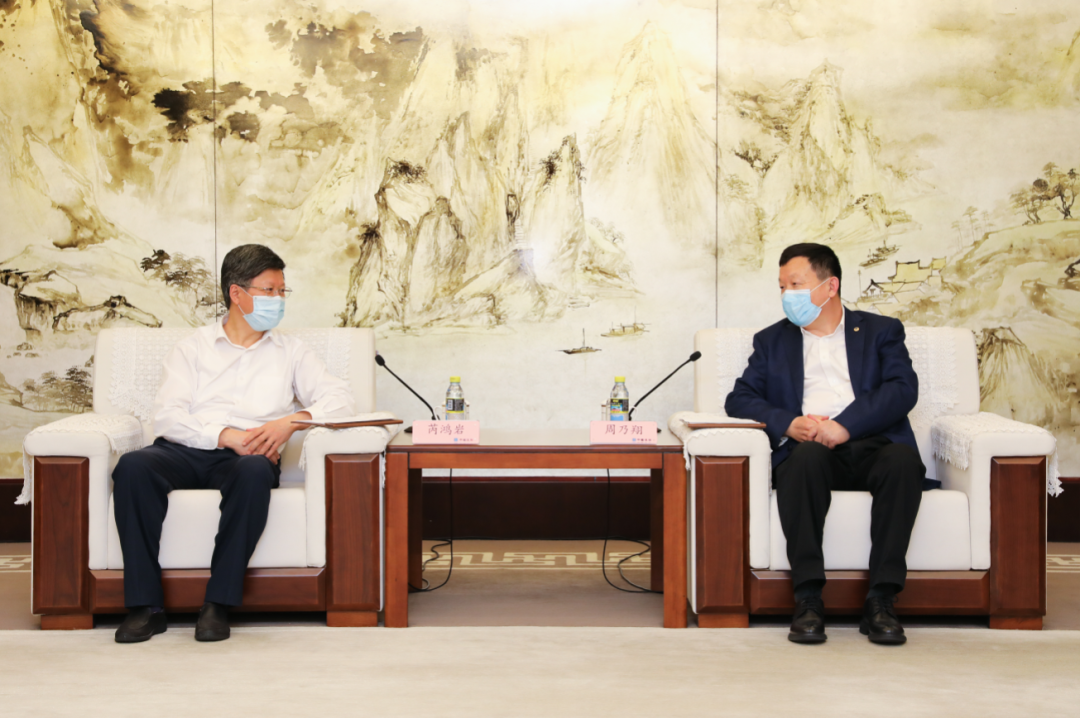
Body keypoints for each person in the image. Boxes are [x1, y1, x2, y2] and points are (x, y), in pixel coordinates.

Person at [111, 244, 356, 643]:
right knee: (133, 466)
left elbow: (341, 399)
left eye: (282, 291)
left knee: (256, 471)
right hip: (185, 449)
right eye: (269, 290)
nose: (278, 300)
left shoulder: (292, 352)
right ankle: (145, 607)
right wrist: (225, 435)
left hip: (249, 457)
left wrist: (291, 422)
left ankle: (217, 603)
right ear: (236, 293)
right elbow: (169, 416)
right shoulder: (192, 348)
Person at [725, 243, 925, 646]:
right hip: (811, 450)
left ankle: (882, 600)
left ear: (830, 286)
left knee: (902, 461)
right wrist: (789, 422)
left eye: (796, 285)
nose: (787, 295)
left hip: (872, 444)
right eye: (782, 287)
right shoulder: (772, 341)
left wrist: (846, 425)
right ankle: (808, 599)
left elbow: (902, 389)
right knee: (803, 460)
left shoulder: (881, 331)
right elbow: (739, 399)